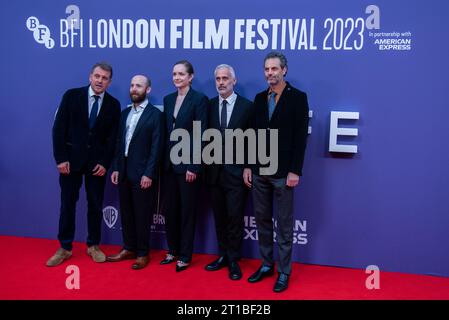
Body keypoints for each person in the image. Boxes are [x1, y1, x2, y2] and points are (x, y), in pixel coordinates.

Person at [244, 52, 309, 292]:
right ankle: (266, 264)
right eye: (267, 69)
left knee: (283, 224)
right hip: (260, 171)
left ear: (284, 70)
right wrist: (249, 166)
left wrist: (295, 171)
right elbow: (253, 136)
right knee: (261, 220)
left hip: (284, 173)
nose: (270, 73)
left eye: (274, 69)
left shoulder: (298, 98)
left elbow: (300, 137)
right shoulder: (260, 98)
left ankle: (283, 272)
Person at [47, 62, 121, 267]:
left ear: (109, 82)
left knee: (95, 206)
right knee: (67, 205)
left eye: (105, 78)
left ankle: (93, 245)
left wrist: (105, 163)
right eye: (97, 76)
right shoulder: (71, 96)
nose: (100, 81)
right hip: (70, 162)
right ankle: (64, 247)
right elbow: (58, 129)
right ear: (90, 77)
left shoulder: (113, 105)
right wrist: (60, 158)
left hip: (97, 165)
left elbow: (113, 139)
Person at [106, 75, 163, 270]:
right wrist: (115, 167)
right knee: (127, 213)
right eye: (132, 85)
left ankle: (142, 253)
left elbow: (157, 147)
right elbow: (118, 144)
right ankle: (128, 248)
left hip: (143, 174)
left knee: (142, 214)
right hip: (123, 171)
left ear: (148, 90)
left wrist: (149, 173)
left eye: (138, 86)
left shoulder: (155, 115)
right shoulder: (124, 114)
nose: (134, 89)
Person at [204, 64, 253, 280]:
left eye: (225, 78)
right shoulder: (209, 105)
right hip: (213, 173)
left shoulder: (247, 107)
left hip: (236, 174)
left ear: (234, 81)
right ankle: (223, 255)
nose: (221, 82)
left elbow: (253, 139)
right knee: (220, 218)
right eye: (218, 79)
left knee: (234, 218)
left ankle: (234, 260)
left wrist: (248, 167)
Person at [160, 60, 208, 272]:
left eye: (181, 74)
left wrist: (194, 165)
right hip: (169, 166)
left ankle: (186, 255)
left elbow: (201, 133)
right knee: (170, 210)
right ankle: (173, 250)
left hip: (188, 166)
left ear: (191, 76)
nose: (177, 77)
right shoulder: (168, 99)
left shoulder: (199, 100)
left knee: (187, 212)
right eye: (174, 74)